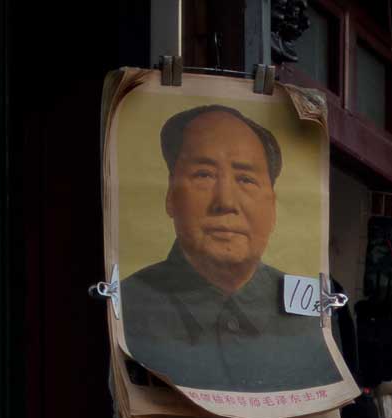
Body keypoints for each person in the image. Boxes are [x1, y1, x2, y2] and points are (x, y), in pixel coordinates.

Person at [121, 104, 344, 394]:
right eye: (204, 175)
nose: (225, 201)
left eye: (245, 179)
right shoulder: (126, 306)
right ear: (169, 196)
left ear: (273, 208)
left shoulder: (312, 314)